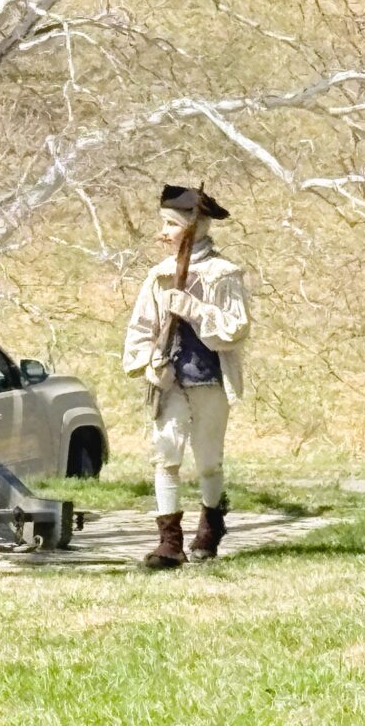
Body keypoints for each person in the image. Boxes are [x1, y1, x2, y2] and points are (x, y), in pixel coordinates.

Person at [123, 185, 251, 569]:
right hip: (171, 381)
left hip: (209, 380)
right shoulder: (159, 276)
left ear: (192, 228)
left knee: (208, 461)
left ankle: (210, 527)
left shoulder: (223, 274)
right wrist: (148, 362)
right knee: (165, 456)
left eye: (170, 224)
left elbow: (235, 328)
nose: (162, 232)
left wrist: (195, 310)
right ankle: (169, 543)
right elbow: (142, 326)